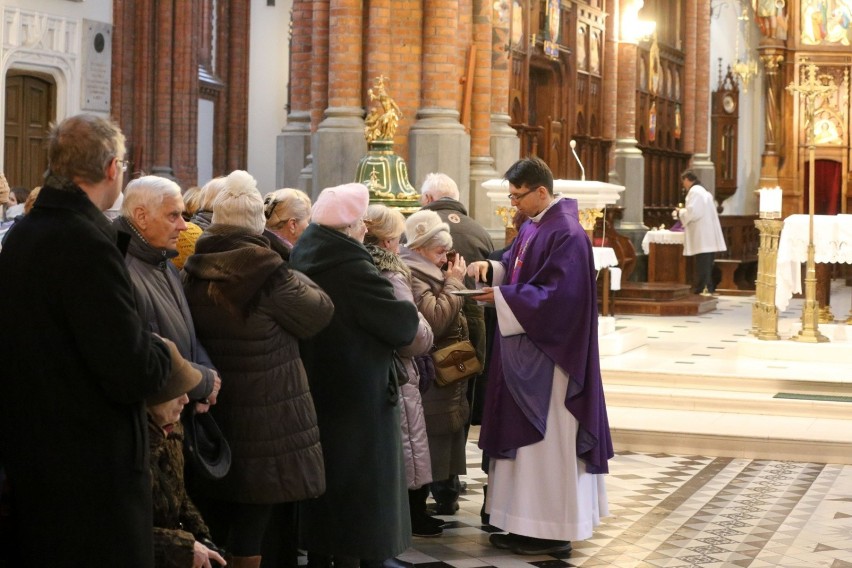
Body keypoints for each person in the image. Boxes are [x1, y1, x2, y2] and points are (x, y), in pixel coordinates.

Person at [0, 113, 193, 566]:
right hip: (88, 473)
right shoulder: (86, 243)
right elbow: (129, 369)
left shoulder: (24, 234)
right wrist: (167, 359)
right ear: (111, 168)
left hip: (34, 456)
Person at [182, 170, 333, 568]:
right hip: (268, 411)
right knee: (254, 520)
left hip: (214, 408)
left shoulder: (192, 267)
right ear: (258, 225)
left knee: (220, 516)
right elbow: (319, 312)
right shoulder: (268, 272)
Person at [468, 156, 612, 556]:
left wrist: (500, 296)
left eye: (518, 196)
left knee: (546, 447)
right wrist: (492, 269)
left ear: (541, 192)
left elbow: (558, 298)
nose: (514, 204)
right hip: (528, 353)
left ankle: (552, 528)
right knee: (526, 449)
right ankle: (522, 523)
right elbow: (518, 266)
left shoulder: (566, 232)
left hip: (554, 361)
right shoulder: (535, 225)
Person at [289, 183, 419, 568]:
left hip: (318, 386)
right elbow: (402, 326)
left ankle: (321, 555)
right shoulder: (354, 268)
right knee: (359, 494)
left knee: (327, 484)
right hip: (359, 394)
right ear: (347, 226)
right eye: (360, 221)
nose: (365, 228)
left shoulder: (303, 256)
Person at [363, 204, 441, 538]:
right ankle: (411, 517)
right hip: (398, 371)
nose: (399, 246)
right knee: (408, 444)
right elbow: (413, 336)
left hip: (373, 370)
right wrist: (425, 331)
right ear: (386, 243)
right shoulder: (390, 274)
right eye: (396, 239)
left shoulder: (356, 268)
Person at [419, 172, 494, 510]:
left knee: (431, 409)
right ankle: (450, 483)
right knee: (459, 405)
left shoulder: (422, 225)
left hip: (437, 328)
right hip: (473, 331)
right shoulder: (478, 228)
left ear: (428, 200)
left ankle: (430, 486)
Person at [117, 175, 221, 414]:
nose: (184, 226)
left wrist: (208, 375)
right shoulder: (121, 269)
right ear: (141, 216)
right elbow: (137, 356)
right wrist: (201, 382)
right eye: (173, 216)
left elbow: (187, 332)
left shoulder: (165, 262)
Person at [400, 210, 471, 524]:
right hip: (429, 371)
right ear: (419, 249)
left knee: (440, 437)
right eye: (439, 252)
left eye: (446, 252)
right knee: (425, 439)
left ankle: (423, 505)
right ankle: (415, 512)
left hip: (448, 366)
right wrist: (454, 283)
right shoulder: (414, 273)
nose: (445, 260)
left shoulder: (428, 269)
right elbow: (435, 320)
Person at [146, 358, 227, 568]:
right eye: (176, 391)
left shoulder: (172, 428)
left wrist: (201, 537)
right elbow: (117, 533)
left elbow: (178, 495)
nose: (185, 399)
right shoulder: (128, 448)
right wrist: (182, 547)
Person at [675, 170, 726, 295]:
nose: (683, 185)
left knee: (703, 263)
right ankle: (707, 287)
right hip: (706, 233)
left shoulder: (695, 192)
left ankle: (703, 288)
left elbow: (693, 212)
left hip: (702, 234)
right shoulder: (703, 191)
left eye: (683, 182)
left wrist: (680, 212)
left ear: (687, 179)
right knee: (707, 262)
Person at [263, 187, 312, 260]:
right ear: (293, 225)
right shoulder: (284, 262)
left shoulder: (256, 246)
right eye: (307, 221)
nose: (308, 227)